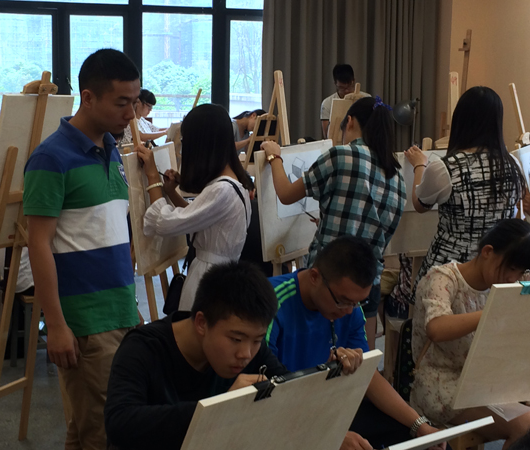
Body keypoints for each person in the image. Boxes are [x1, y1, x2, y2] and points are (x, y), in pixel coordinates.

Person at [24, 49, 142, 450]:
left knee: (88, 428)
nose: (131, 114)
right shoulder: (50, 158)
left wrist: (130, 305)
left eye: (134, 101)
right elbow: (38, 244)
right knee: (103, 431)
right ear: (88, 98)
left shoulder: (112, 148)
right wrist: (56, 325)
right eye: (122, 102)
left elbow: (111, 231)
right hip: (86, 321)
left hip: (121, 309)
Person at [267, 235, 446, 450]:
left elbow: (367, 375)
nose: (348, 311)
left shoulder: (350, 307)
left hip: (328, 405)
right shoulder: (270, 303)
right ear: (315, 276)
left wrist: (419, 425)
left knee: (422, 440)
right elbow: (265, 396)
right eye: (342, 301)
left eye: (357, 302)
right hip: (279, 413)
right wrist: (328, 436)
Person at [106, 262, 305, 450]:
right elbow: (119, 423)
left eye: (258, 340)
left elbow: (292, 390)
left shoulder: (250, 345)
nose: (245, 354)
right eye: (236, 339)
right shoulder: (143, 348)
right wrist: (220, 408)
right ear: (202, 323)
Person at [261, 96, 406, 350]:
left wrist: (275, 157)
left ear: (349, 122)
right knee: (358, 361)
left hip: (331, 284)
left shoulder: (341, 155)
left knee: (317, 355)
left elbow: (285, 194)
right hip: (367, 285)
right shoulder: (398, 178)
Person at [411, 219, 530, 449]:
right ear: (487, 252)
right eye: (510, 268)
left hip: (486, 381)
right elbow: (436, 328)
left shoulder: (505, 285)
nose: (513, 278)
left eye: (520, 272)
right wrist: (492, 312)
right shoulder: (443, 279)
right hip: (442, 384)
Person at [404, 86, 526, 293]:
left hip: (449, 273)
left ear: (460, 120)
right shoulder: (513, 164)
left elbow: (420, 204)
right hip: (494, 273)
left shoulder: (446, 167)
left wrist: (419, 166)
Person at [137, 103, 254, 311]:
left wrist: (152, 177)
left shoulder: (221, 190)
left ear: (200, 145)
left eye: (185, 142)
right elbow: (200, 219)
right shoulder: (235, 183)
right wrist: (172, 192)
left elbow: (164, 223)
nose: (184, 150)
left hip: (208, 282)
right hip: (219, 279)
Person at [320, 64, 370, 139]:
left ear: (354, 81)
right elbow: (327, 135)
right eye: (342, 88)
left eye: (349, 86)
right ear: (335, 83)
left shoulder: (366, 98)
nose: (346, 91)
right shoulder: (327, 103)